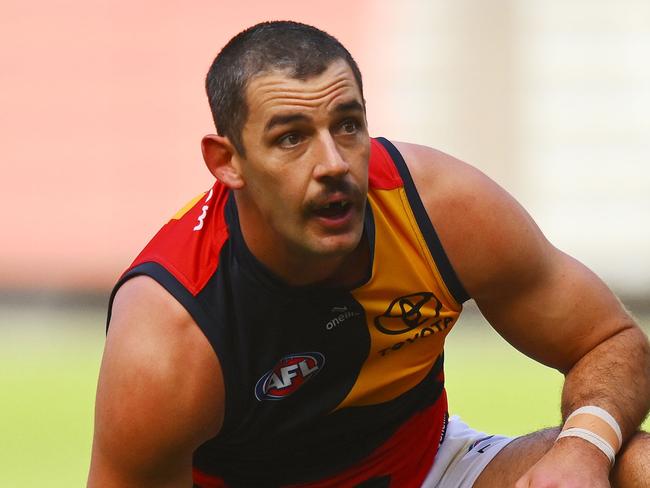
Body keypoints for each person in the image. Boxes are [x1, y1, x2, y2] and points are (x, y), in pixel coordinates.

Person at [88, 21, 650, 488]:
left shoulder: (438, 210)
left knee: (636, 466)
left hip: (428, 469)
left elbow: (612, 341)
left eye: (348, 125)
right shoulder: (171, 332)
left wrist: (584, 448)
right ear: (226, 162)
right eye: (291, 137)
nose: (333, 162)